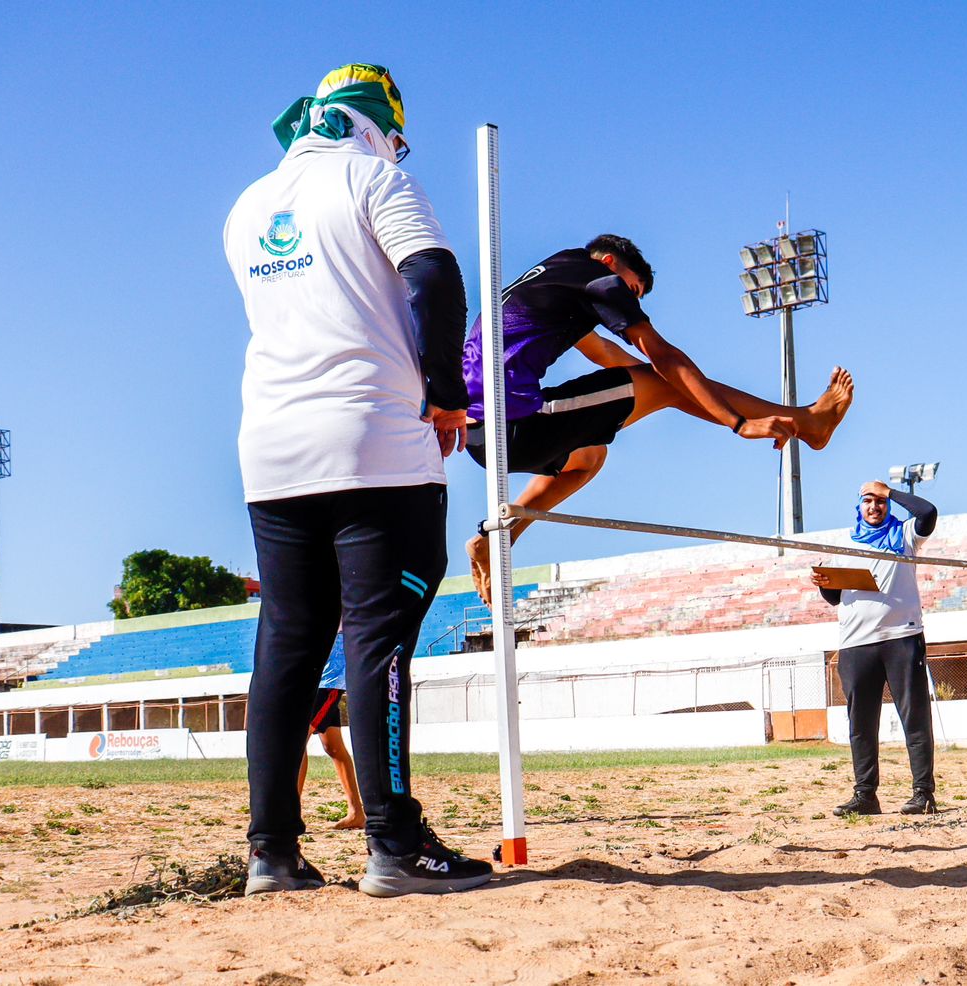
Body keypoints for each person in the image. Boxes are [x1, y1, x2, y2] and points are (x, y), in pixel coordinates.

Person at [224, 63, 491, 897]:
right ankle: (394, 845)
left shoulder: (247, 204)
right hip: (374, 438)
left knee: (287, 649)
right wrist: (448, 397)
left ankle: (270, 852)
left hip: (270, 448)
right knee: (379, 644)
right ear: (379, 125)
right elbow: (436, 283)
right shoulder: (377, 177)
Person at [461, 236, 855, 603]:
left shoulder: (556, 275)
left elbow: (605, 355)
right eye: (633, 290)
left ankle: (497, 539)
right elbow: (662, 357)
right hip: (516, 426)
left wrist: (671, 386)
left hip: (479, 433)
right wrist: (737, 422)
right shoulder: (599, 282)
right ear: (611, 264)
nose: (631, 300)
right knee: (666, 379)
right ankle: (807, 422)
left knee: (590, 458)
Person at [811, 480, 939, 816]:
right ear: (859, 506)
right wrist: (825, 586)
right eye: (868, 501)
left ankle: (923, 794)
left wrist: (890, 491)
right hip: (856, 643)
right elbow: (837, 597)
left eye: (880, 502)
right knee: (861, 725)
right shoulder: (843, 544)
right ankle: (865, 795)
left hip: (902, 637)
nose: (874, 506)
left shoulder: (906, 535)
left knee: (915, 719)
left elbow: (928, 512)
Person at [297, 634, 364, 830]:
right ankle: (356, 813)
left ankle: (290, 813)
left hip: (329, 678)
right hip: (318, 676)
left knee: (298, 740)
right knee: (334, 748)